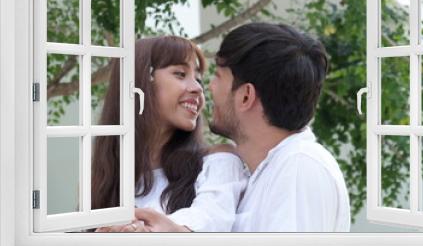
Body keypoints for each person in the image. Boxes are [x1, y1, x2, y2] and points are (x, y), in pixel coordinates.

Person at [135, 22, 351, 232]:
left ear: (246, 96)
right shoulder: (269, 172)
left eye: (217, 77)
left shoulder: (298, 167)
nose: (206, 88)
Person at [91, 35, 247, 232]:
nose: (197, 88)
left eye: (198, 79)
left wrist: (147, 229)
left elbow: (211, 218)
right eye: (181, 74)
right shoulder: (105, 177)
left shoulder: (218, 162)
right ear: (140, 83)